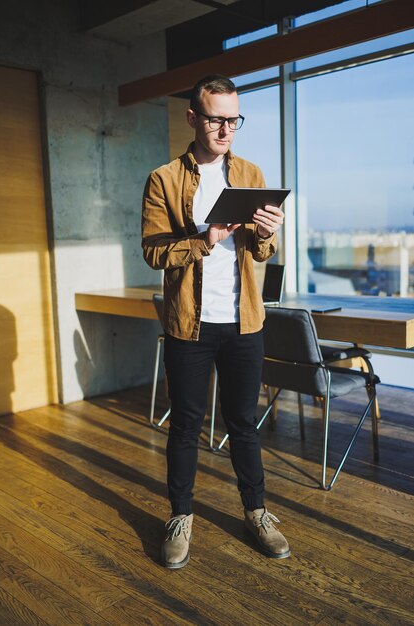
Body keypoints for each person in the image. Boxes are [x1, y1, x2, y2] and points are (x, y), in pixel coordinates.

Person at [142, 74, 290, 569]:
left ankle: (257, 512)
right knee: (185, 425)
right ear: (192, 118)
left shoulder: (250, 172)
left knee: (244, 424)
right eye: (217, 119)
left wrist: (269, 233)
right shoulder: (164, 179)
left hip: (244, 321)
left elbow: (262, 251)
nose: (227, 129)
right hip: (190, 323)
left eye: (234, 120)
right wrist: (205, 239)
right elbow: (152, 251)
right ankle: (180, 517)